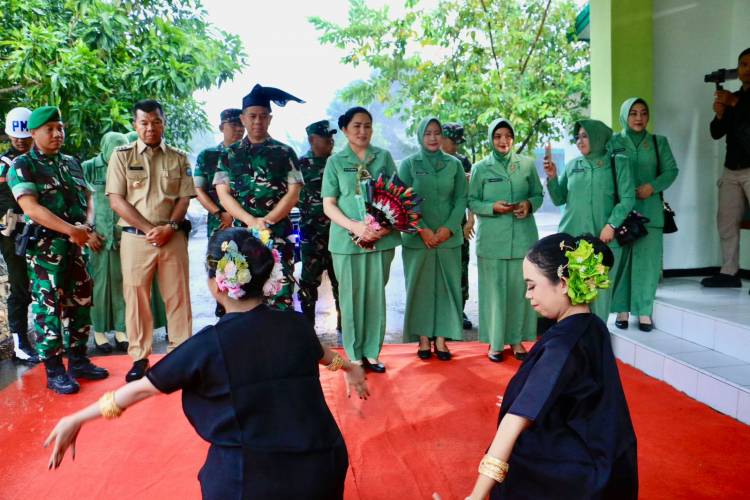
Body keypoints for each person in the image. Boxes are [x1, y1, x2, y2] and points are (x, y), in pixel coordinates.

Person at [44, 228, 369, 500]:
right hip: (322, 467)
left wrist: (77, 419)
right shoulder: (296, 325)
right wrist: (353, 369)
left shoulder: (207, 345)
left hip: (252, 483)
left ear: (216, 285)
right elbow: (329, 358)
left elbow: (137, 392)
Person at [456, 233, 638, 500]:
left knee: (518, 452)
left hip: (578, 479)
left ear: (563, 283)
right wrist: (522, 394)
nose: (527, 295)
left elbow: (513, 424)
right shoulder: (593, 326)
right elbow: (580, 394)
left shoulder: (561, 346)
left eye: (531, 286)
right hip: (609, 461)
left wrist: (477, 495)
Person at [8, 106, 108, 394]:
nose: (57, 134)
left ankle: (78, 360)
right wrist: (71, 231)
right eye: (50, 129)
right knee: (48, 308)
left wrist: (87, 226)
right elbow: (31, 208)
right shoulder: (23, 165)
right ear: (34, 132)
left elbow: (89, 198)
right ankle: (54, 370)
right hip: (45, 251)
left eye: (60, 128)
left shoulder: (70, 163)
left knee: (81, 302)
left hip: (76, 247)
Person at [106, 99, 195, 382]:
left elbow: (184, 197)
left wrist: (169, 226)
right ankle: (139, 357)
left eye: (156, 122)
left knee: (178, 297)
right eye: (144, 123)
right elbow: (116, 200)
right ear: (135, 125)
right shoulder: (121, 156)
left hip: (172, 237)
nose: (150, 128)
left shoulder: (178, 157)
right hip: (135, 239)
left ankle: (180, 355)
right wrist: (147, 228)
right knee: (136, 299)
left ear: (163, 123)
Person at [322, 106, 401, 373]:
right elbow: (329, 204)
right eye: (356, 126)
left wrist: (385, 227)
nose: (363, 131)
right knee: (350, 297)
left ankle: (372, 353)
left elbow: (398, 198)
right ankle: (355, 354)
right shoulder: (335, 161)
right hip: (346, 243)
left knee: (375, 296)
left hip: (382, 240)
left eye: (367, 125)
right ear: (345, 130)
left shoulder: (384, 157)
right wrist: (355, 226)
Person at [215, 84, 305, 311]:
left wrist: (267, 221)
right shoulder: (229, 154)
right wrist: (250, 221)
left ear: (270, 119)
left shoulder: (285, 152)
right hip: (240, 238)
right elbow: (223, 194)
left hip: (278, 236)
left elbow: (293, 192)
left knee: (281, 296)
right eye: (252, 116)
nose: (257, 121)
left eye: (263, 116)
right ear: (243, 118)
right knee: (241, 295)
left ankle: (282, 345)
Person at [82, 132, 169, 353]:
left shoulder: (129, 165)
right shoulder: (90, 167)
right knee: (99, 286)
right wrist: (87, 231)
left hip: (125, 236)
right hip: (97, 239)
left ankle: (121, 330)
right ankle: (100, 332)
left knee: (124, 285)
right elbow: (82, 201)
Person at [468, 118, 542, 362]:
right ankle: (495, 342)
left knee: (521, 292)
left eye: (508, 136)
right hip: (492, 241)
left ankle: (517, 339)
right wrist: (492, 207)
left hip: (523, 238)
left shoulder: (527, 165)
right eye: (498, 136)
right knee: (494, 293)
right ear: (491, 139)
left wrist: (528, 205)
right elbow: (472, 201)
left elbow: (538, 194)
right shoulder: (481, 168)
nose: (503, 141)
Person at [545, 119, 635, 321]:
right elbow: (560, 198)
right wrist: (552, 177)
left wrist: (611, 225)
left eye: (585, 136)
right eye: (577, 137)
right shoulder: (572, 165)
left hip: (604, 240)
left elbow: (628, 198)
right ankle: (575, 343)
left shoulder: (618, 163)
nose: (579, 141)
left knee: (599, 296)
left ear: (598, 137)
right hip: (573, 240)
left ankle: (596, 343)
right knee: (573, 296)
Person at [399, 117, 467, 360]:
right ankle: (424, 339)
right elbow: (402, 200)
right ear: (420, 136)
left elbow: (461, 198)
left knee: (447, 288)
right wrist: (423, 229)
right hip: (418, 240)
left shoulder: (454, 165)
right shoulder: (408, 164)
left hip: (449, 239)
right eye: (428, 133)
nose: (433, 137)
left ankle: (442, 339)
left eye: (437, 133)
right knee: (421, 288)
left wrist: (448, 228)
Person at [610, 98, 678, 331]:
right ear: (624, 116)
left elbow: (671, 171)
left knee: (648, 264)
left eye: (643, 113)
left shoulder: (659, 143)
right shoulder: (614, 142)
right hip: (622, 213)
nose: (638, 118)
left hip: (651, 212)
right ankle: (622, 310)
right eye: (633, 113)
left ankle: (644, 311)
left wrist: (653, 186)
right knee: (623, 262)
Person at [703, 48, 750, 289]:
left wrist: (733, 103)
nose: (747, 69)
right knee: (727, 221)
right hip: (732, 169)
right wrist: (720, 115)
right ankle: (729, 271)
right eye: (743, 64)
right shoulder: (735, 98)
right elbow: (715, 133)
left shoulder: (737, 100)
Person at [1, 107, 37, 364]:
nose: (21, 141)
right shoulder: (4, 164)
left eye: (25, 136)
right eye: (17, 137)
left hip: (44, 230)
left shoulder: (42, 159)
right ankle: (20, 342)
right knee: (20, 287)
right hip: (14, 234)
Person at [297, 120, 340, 328]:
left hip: (337, 232)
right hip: (311, 233)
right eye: (325, 138)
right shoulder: (299, 165)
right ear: (312, 140)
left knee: (340, 279)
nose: (331, 142)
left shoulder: (338, 163)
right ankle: (307, 327)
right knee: (308, 281)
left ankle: (345, 325)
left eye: (332, 138)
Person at [442, 122, 474, 330]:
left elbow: (470, 194)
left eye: (457, 143)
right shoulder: (432, 160)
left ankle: (459, 310)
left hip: (459, 222)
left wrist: (471, 219)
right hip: (437, 221)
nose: (455, 146)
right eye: (452, 142)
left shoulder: (464, 162)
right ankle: (439, 312)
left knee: (461, 265)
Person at [193, 109, 242, 239]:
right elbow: (197, 189)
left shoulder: (253, 155)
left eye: (241, 124)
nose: (239, 129)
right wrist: (219, 213)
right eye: (233, 125)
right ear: (221, 128)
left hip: (248, 224)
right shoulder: (208, 156)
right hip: (220, 225)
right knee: (220, 259)